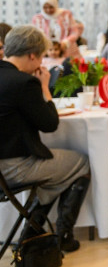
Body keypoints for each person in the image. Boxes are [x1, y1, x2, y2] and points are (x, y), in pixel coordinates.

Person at [0, 26, 91, 252]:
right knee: (81, 162)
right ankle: (63, 235)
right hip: (13, 168)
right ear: (32, 55)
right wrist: (44, 88)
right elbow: (50, 125)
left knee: (57, 172)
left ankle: (33, 230)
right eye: (41, 56)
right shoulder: (23, 82)